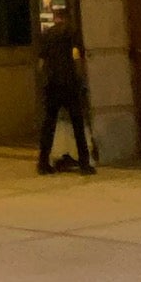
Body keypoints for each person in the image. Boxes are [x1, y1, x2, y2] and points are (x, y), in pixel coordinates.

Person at [37, 9, 94, 177]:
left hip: (52, 84)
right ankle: (84, 163)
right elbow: (76, 56)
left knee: (49, 125)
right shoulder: (72, 32)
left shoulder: (47, 34)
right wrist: (80, 78)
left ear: (56, 19)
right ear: (68, 19)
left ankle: (43, 162)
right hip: (69, 84)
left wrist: (45, 81)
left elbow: (41, 62)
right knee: (77, 124)